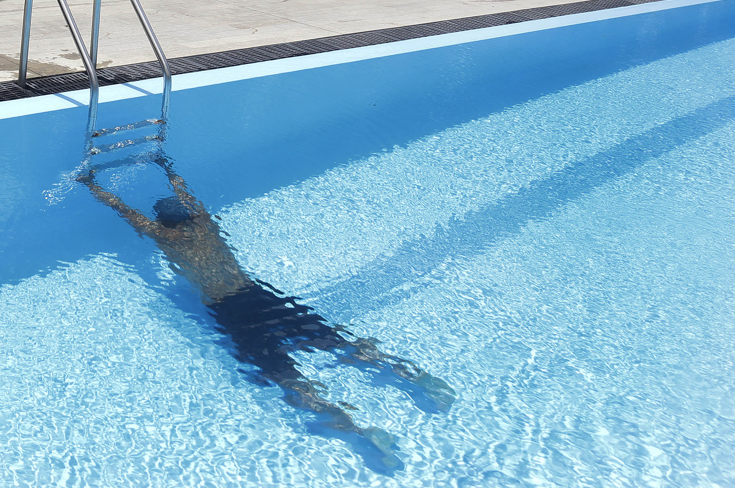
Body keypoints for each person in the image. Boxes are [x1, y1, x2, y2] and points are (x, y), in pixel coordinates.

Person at [79, 153, 455, 474]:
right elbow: (186, 195)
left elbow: (124, 210)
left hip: (228, 310)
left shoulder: (165, 237)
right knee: (337, 340)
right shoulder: (205, 224)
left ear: (164, 223)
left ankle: (356, 430)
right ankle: (407, 374)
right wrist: (167, 166)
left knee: (283, 375)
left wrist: (90, 184)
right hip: (260, 295)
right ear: (190, 217)